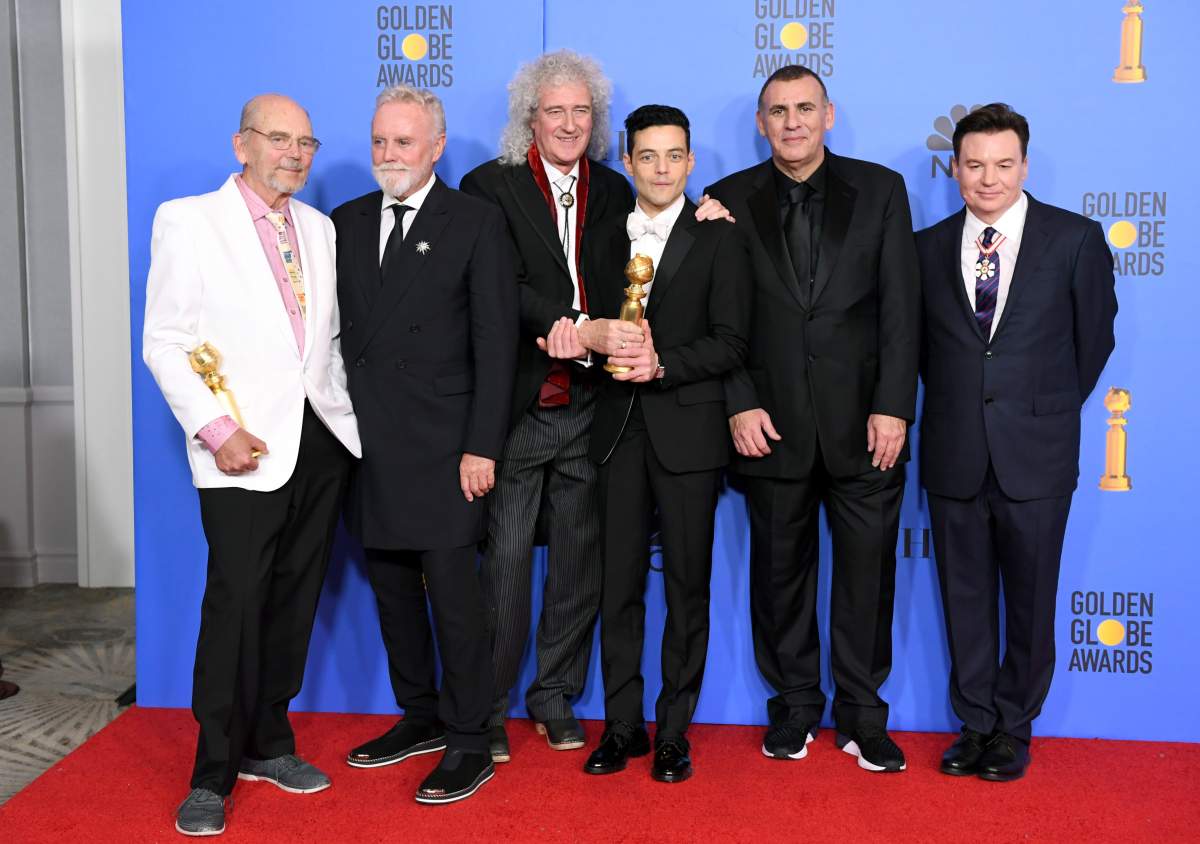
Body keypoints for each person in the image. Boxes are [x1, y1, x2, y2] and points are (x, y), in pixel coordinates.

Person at [459, 50, 730, 762]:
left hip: (597, 410)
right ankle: (485, 710)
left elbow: (666, 238)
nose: (569, 123)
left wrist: (710, 213)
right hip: (521, 404)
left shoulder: (616, 187)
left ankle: (554, 696)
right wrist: (573, 328)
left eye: (582, 111)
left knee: (583, 566)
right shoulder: (486, 187)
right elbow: (496, 287)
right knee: (508, 563)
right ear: (530, 118)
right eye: (555, 110)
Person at [143, 94, 360, 836]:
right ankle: (211, 773)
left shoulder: (321, 229)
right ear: (242, 144)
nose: (294, 153)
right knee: (235, 604)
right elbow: (164, 341)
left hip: (320, 443)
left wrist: (348, 429)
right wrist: (215, 427)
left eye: (305, 142)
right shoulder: (190, 221)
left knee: (295, 600)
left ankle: (270, 742)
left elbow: (322, 344)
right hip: (241, 449)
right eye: (277, 139)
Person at [705, 65, 919, 772]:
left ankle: (863, 714)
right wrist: (737, 398)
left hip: (866, 425)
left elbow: (900, 309)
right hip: (769, 423)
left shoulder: (882, 191)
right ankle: (795, 707)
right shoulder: (727, 199)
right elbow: (715, 315)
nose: (791, 122)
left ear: (830, 114)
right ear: (760, 123)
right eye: (777, 111)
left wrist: (894, 406)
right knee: (778, 575)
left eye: (804, 108)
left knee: (867, 575)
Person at [916, 103, 1117, 782]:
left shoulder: (1076, 239)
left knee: (1031, 602)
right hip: (954, 454)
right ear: (954, 168)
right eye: (974, 164)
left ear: (1024, 166)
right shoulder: (925, 247)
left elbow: (1092, 345)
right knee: (963, 599)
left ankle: (1014, 728)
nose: (988, 178)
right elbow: (916, 352)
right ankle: (973, 725)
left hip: (1038, 454)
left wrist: (1038, 412)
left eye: (1003, 164)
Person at [332, 85, 517, 804]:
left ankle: (470, 737)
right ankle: (420, 715)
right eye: (380, 141)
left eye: (403, 143)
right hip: (369, 442)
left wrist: (482, 447)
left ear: (436, 147)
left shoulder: (475, 221)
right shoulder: (344, 221)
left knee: (455, 602)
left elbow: (496, 344)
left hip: (446, 446)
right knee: (390, 592)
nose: (389, 155)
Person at [566, 104, 751, 784]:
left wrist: (664, 363)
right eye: (648, 156)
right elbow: (587, 324)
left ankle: (674, 732)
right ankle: (623, 728)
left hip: (689, 433)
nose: (662, 168)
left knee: (687, 589)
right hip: (615, 432)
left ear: (692, 162)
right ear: (627, 160)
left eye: (674, 155)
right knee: (617, 589)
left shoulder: (720, 237)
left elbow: (733, 339)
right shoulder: (602, 236)